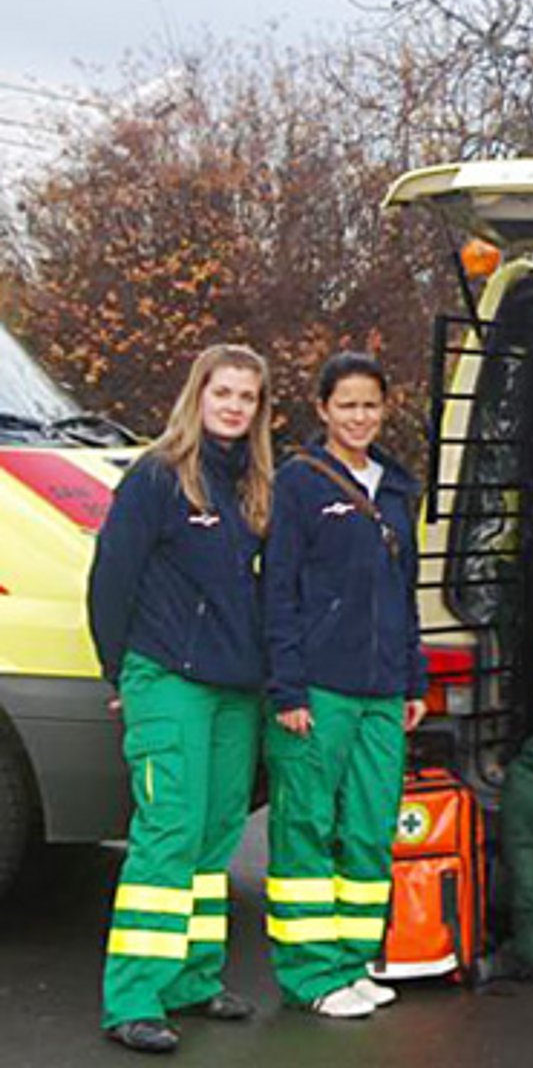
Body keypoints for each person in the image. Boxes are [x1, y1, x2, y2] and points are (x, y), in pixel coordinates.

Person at [88, 344, 274, 1054]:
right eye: (222, 392)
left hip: (235, 690)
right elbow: (111, 582)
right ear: (197, 396)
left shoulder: (254, 485)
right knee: (167, 835)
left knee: (214, 835)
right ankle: (132, 997)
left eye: (247, 397)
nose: (233, 406)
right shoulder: (157, 479)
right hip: (167, 678)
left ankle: (192, 979)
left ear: (258, 409)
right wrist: (122, 676)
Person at [263, 352, 427, 1019]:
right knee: (306, 824)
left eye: (371, 404)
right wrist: (288, 688)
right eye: (347, 404)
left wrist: (412, 678)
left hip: (384, 691)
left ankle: (352, 962)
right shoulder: (298, 484)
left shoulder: (395, 487)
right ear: (323, 409)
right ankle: (310, 976)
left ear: (384, 409)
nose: (360, 416)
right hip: (319, 689)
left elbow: (404, 592)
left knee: (366, 828)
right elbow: (277, 590)